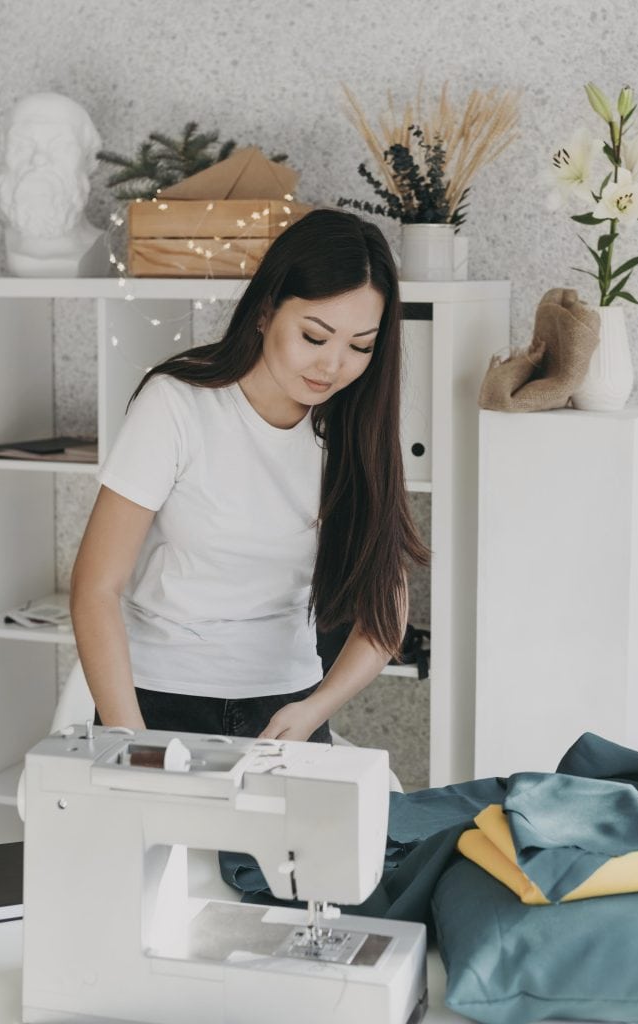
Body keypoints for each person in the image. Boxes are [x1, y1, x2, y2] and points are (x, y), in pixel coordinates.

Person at [70, 208, 429, 744]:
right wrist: (132, 743)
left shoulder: (352, 429)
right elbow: (95, 588)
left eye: (359, 346)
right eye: (314, 336)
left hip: (286, 704)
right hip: (158, 700)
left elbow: (386, 603)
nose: (332, 366)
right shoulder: (177, 404)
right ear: (265, 312)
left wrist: (314, 709)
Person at [0, 91, 108, 277]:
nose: (39, 159)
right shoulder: (6, 243)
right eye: (22, 146)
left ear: (89, 161)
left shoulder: (100, 247)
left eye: (60, 147)